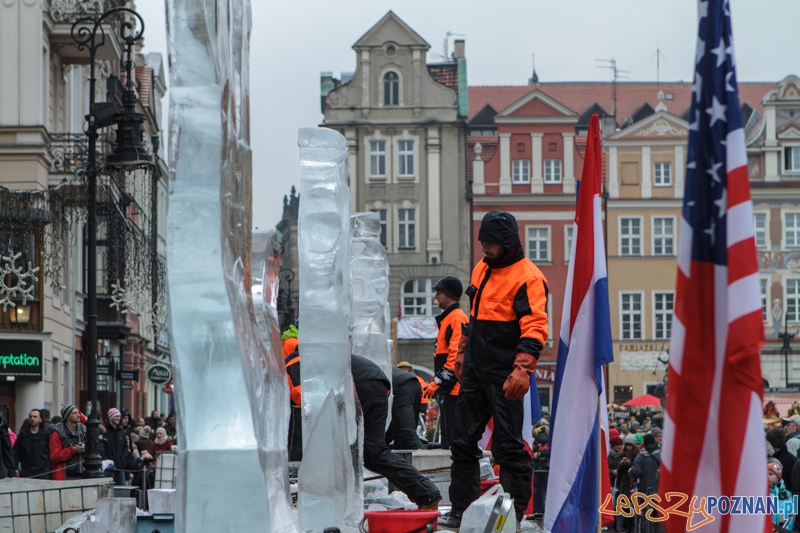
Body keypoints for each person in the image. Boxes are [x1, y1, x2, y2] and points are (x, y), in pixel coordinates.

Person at [441, 210, 549, 529]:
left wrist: (523, 369)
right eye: (482, 241)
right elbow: (473, 317)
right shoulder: (481, 268)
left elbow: (535, 328)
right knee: (462, 442)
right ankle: (461, 511)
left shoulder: (529, 278)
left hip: (505, 372)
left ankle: (509, 518)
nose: (484, 247)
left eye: (490, 243)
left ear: (507, 243)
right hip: (476, 369)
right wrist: (463, 353)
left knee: (510, 448)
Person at [352, 354, 441, 510]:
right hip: (378, 384)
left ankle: (426, 490)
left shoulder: (306, 357)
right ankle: (426, 492)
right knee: (375, 450)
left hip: (369, 384)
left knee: (403, 437)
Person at [422, 276, 468, 449]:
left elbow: (455, 357)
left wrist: (438, 382)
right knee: (449, 439)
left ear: (448, 295)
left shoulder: (456, 318)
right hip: (451, 388)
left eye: (438, 293)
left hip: (454, 389)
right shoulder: (451, 318)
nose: (436, 297)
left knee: (453, 440)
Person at [388, 365, 426, 450]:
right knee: (401, 431)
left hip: (404, 387)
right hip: (413, 385)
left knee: (407, 432)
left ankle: (423, 455)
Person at [14, 409, 52, 479]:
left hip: (43, 471)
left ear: (40, 419)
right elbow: (16, 452)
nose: (32, 418)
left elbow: (51, 451)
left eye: (35, 417)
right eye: (30, 416)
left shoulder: (46, 434)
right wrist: (15, 468)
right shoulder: (23, 434)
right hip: (26, 470)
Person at [49, 405, 85, 480]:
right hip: (65, 475)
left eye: (78, 412)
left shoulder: (83, 430)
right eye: (74, 413)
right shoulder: (58, 433)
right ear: (67, 417)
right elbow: (54, 456)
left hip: (83, 474)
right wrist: (73, 450)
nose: (78, 415)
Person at [104, 408, 135, 485]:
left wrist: (124, 456)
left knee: (122, 487)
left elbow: (125, 445)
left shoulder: (120, 431)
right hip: (109, 467)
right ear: (111, 417)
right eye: (116, 416)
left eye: (119, 416)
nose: (118, 418)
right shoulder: (105, 431)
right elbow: (103, 447)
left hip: (121, 466)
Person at [284, 349, 303, 461]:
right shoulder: (296, 363)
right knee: (295, 449)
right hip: (297, 413)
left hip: (298, 410)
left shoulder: (294, 361)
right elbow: (299, 393)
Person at [769, 462, 795, 531]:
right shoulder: (761, 493)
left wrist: (781, 531)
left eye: (770, 474)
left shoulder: (787, 495)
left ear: (778, 477)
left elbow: (791, 516)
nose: (767, 476)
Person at [532, 425, 550, 519]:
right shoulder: (549, 441)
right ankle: (546, 510)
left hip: (537, 470)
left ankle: (538, 510)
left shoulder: (535, 442)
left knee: (537, 491)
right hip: (546, 470)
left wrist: (538, 454)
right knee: (545, 491)